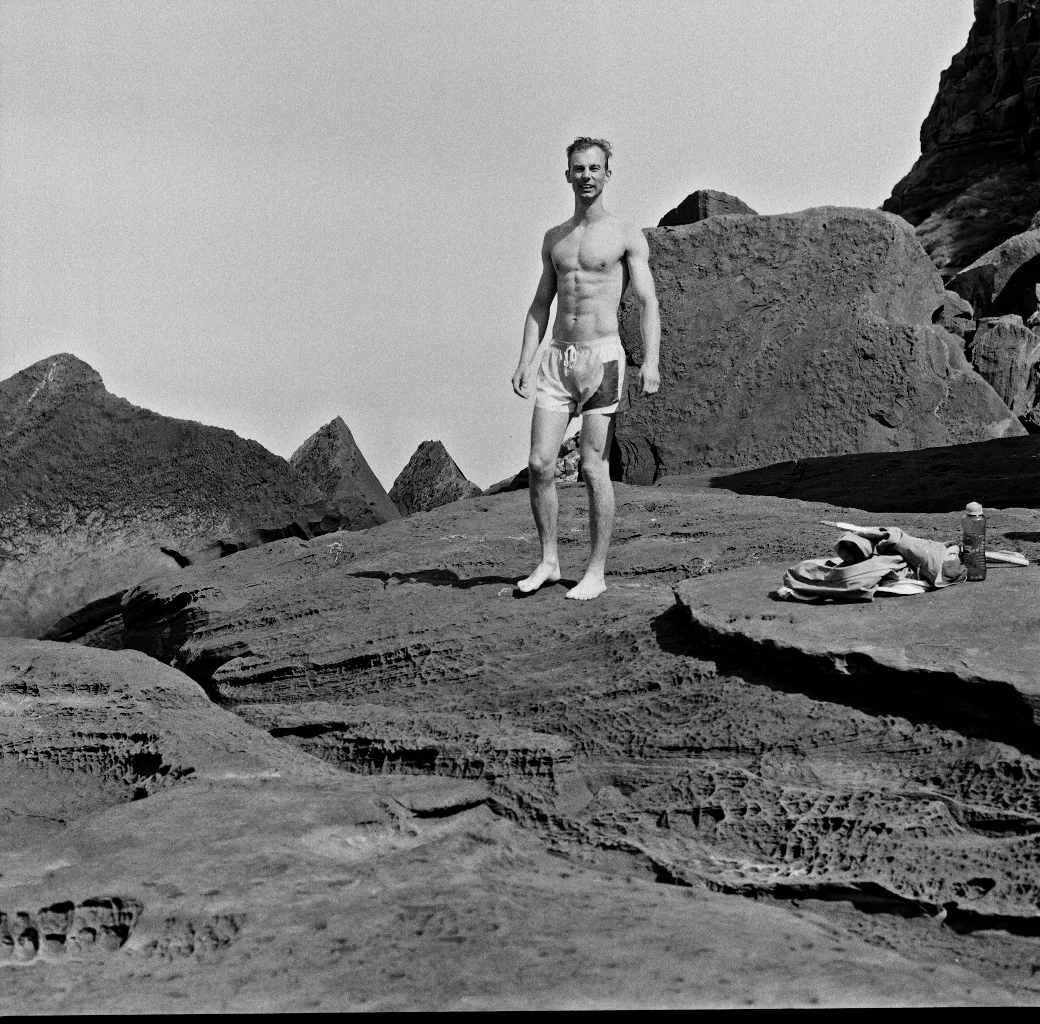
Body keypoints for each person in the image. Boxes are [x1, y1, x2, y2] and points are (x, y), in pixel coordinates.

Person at [511, 137, 660, 600]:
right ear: (568, 174)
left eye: (596, 168)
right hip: (559, 357)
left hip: (602, 359)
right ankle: (549, 561)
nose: (587, 176)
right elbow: (541, 304)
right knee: (540, 464)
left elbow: (647, 301)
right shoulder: (554, 239)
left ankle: (596, 571)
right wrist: (525, 359)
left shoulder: (625, 235)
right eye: (579, 168)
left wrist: (650, 361)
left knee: (594, 467)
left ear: (608, 175)